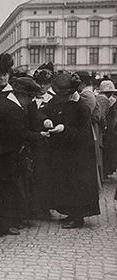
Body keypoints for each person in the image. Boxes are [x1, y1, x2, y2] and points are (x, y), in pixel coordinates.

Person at [0, 77, 45, 236]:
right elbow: (20, 134)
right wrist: (40, 135)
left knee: (7, 189)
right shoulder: (11, 108)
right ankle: (3, 225)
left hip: (3, 154)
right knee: (5, 191)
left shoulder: (8, 104)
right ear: (23, 95)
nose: (30, 101)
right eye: (30, 98)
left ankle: (8, 222)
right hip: (2, 156)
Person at [42, 72, 100, 228]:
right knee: (65, 183)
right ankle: (70, 213)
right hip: (63, 152)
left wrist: (64, 129)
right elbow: (43, 112)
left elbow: (82, 133)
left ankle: (77, 217)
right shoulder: (58, 101)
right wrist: (46, 120)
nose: (60, 99)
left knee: (77, 185)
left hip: (79, 154)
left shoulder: (82, 107)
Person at [27, 63, 55, 219]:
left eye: (46, 84)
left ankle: (45, 208)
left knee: (44, 176)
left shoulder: (53, 100)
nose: (42, 87)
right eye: (40, 83)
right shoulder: (29, 99)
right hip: (31, 140)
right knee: (31, 176)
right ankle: (32, 208)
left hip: (46, 144)